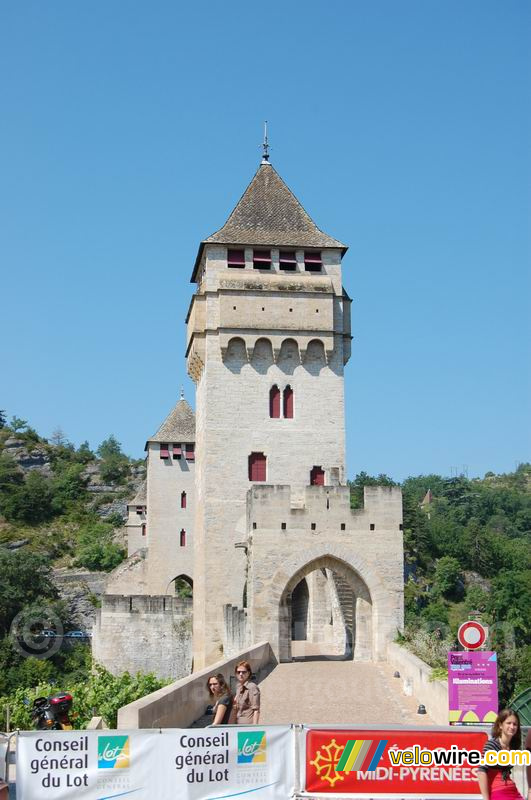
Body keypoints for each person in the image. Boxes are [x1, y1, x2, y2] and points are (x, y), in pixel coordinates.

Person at [478, 708, 524, 800]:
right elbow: (481, 771)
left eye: (515, 724)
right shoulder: (492, 745)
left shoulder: (513, 746)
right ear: (500, 725)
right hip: (497, 790)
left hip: (512, 789)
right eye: (508, 723)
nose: (512, 727)